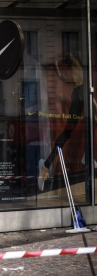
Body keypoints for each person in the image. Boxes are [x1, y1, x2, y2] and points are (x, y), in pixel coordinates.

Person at [38, 52, 84, 191]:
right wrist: (57, 64)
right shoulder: (76, 64)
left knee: (74, 131)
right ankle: (46, 164)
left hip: (81, 95)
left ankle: (47, 164)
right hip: (80, 96)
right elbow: (62, 74)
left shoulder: (80, 63)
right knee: (69, 132)